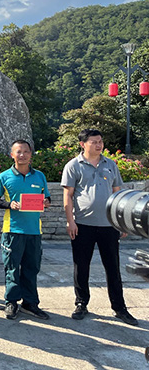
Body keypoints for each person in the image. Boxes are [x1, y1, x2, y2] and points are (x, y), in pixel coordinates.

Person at [61, 128, 138, 325]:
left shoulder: (110, 164)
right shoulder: (73, 166)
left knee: (112, 267)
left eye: (100, 141)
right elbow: (67, 196)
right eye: (94, 141)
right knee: (82, 266)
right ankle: (81, 303)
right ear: (82, 144)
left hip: (109, 225)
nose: (99, 145)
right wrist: (70, 221)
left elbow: (118, 194)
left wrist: (122, 222)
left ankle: (119, 307)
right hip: (83, 225)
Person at [0, 140, 51, 321]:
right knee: (12, 267)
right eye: (18, 152)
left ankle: (30, 303)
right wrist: (9, 204)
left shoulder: (39, 176)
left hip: (34, 231)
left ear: (31, 154)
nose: (22, 155)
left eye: (26, 151)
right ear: (12, 155)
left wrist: (46, 202)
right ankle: (11, 301)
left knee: (32, 268)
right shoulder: (4, 176)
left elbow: (46, 198)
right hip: (12, 230)